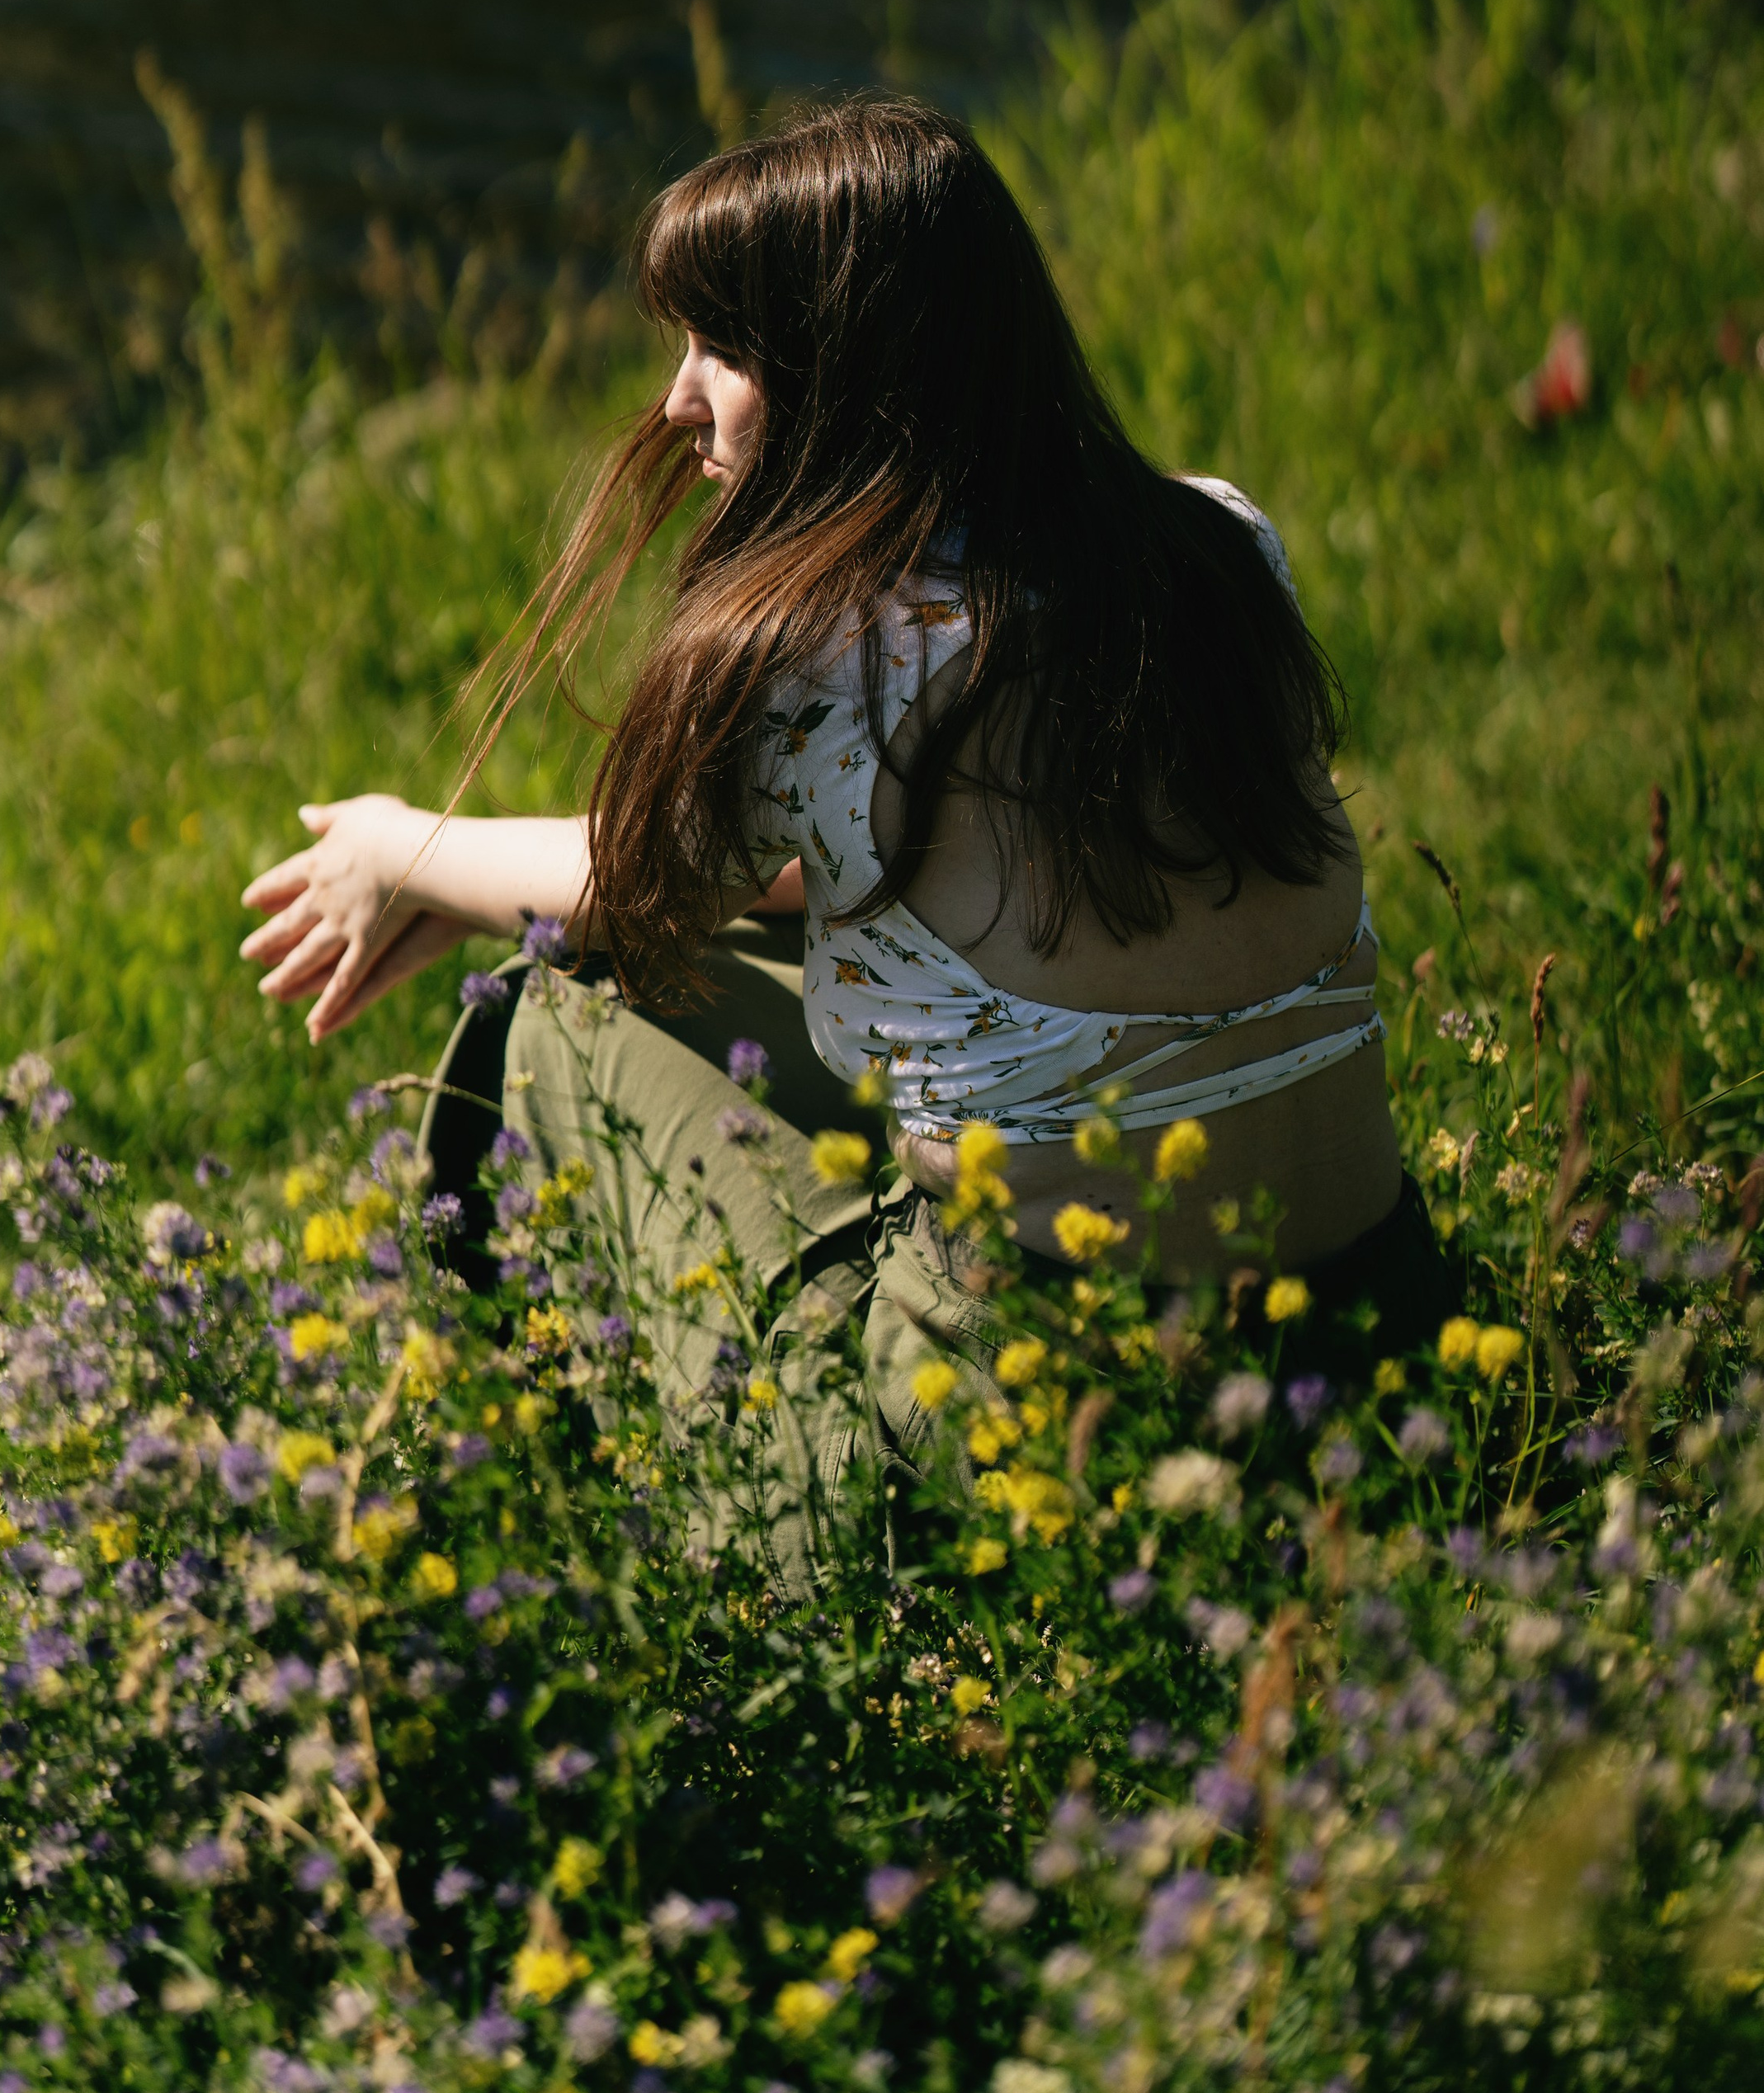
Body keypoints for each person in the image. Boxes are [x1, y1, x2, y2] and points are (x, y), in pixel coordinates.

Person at [237, 99, 1452, 1553]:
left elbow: (626, 896)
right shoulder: (1219, 544)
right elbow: (900, 873)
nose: (678, 401)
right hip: (1392, 1361)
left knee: (558, 1008)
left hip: (1048, 1429)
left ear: (854, 369)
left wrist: (399, 848)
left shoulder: (824, 660)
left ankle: (550, 1522)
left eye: (725, 350)